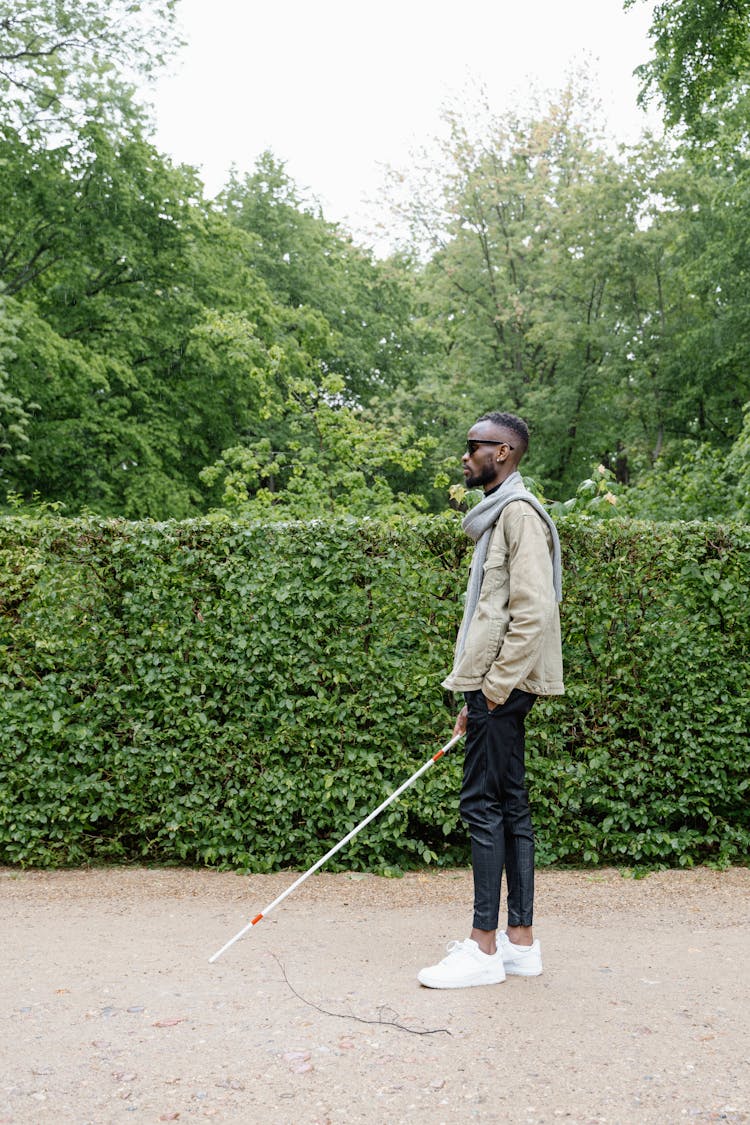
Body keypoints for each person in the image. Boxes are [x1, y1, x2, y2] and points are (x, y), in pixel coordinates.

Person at [418, 411, 564, 989]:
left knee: (482, 806)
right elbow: (495, 614)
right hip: (494, 687)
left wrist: (493, 688)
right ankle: (520, 945)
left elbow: (533, 611)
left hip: (503, 687)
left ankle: (482, 950)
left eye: (472, 446)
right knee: (512, 807)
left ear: (502, 453)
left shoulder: (519, 516)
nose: (464, 456)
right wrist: (471, 696)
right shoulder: (502, 515)